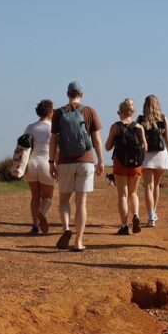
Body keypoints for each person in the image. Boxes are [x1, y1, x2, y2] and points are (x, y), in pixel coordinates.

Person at [49, 81, 104, 251]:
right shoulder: (89, 111)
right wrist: (101, 160)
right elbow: (96, 139)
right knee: (81, 203)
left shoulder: (58, 113)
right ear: (82, 94)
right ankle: (78, 242)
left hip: (65, 162)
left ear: (67, 94)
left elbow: (53, 140)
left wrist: (52, 162)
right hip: (85, 161)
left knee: (64, 199)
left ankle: (66, 229)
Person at [105, 98, 147, 235]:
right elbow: (145, 147)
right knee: (133, 192)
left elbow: (107, 147)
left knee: (122, 195)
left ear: (122, 112)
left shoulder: (116, 126)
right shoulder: (139, 127)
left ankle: (124, 226)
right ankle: (136, 215)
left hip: (120, 163)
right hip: (136, 164)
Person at [138, 95, 168, 227]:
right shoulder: (163, 118)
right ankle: (154, 212)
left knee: (148, 186)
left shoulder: (141, 119)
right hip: (161, 153)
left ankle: (151, 216)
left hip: (146, 155)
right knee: (156, 185)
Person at [23, 100, 55, 235]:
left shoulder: (30, 127)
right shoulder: (53, 127)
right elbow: (57, 149)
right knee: (47, 196)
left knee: (35, 196)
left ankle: (35, 225)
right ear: (50, 112)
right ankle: (42, 212)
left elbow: (23, 146)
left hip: (31, 163)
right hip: (46, 162)